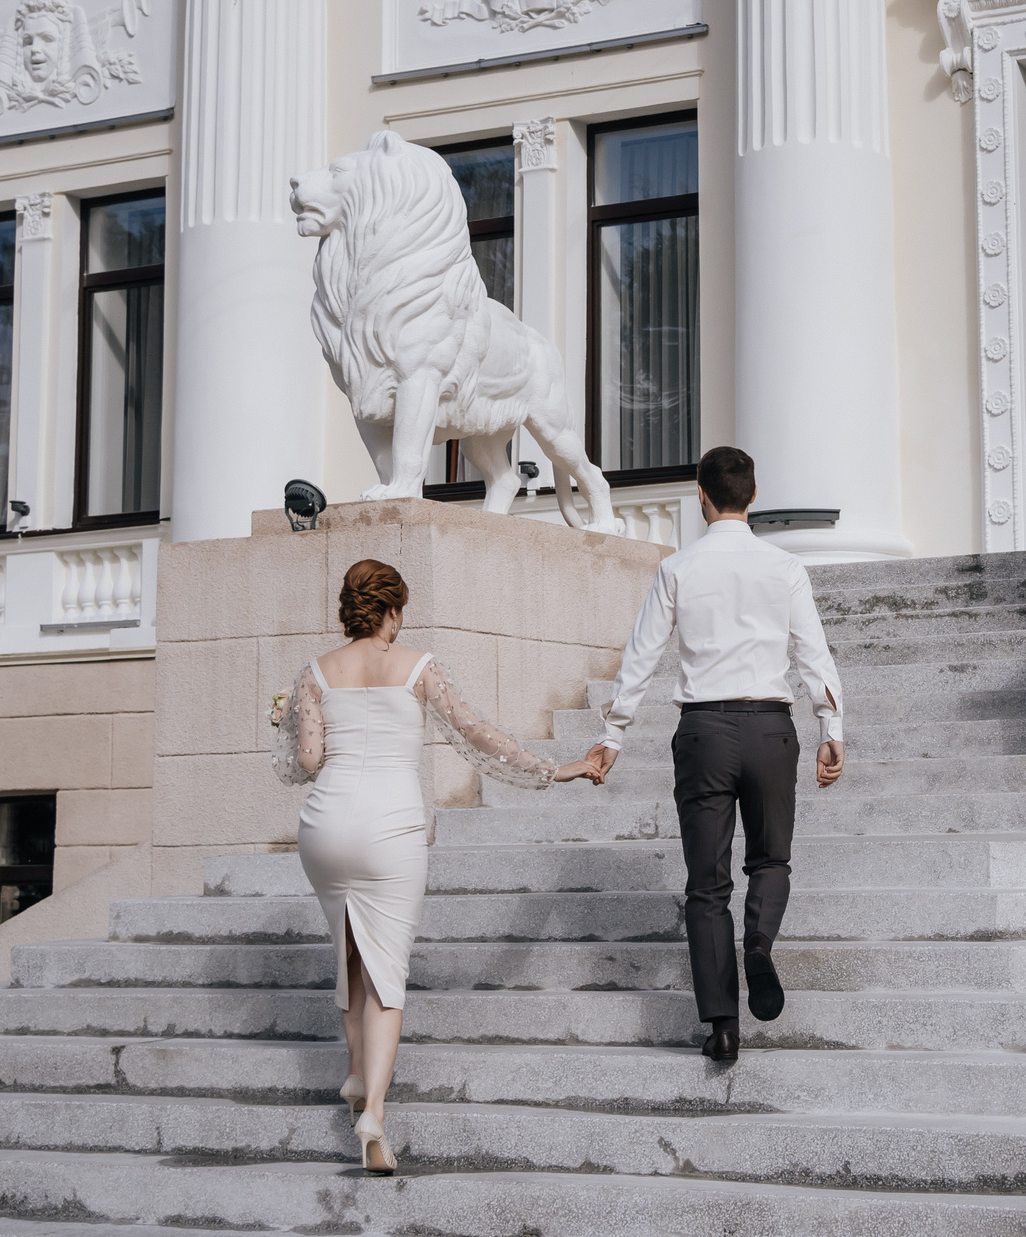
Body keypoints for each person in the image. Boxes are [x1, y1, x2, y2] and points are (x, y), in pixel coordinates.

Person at [272, 558, 601, 1172]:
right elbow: (475, 733)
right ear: (393, 610)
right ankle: (373, 1112)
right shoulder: (419, 667)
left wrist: (287, 722)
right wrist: (553, 770)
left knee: (346, 951)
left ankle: (350, 1070)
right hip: (389, 829)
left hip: (323, 827)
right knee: (386, 978)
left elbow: (309, 761)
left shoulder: (315, 673)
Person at [587, 445, 845, 1063]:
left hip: (704, 732)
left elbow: (641, 656)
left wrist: (613, 734)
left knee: (706, 887)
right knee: (770, 860)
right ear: (753, 497)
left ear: (700, 497)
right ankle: (758, 946)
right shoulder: (784, 567)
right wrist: (831, 726)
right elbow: (814, 653)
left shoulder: (677, 568)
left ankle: (723, 1028)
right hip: (770, 729)